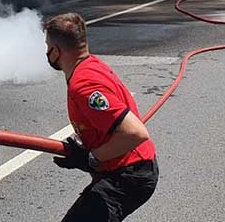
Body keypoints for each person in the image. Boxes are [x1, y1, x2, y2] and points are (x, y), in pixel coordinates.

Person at [44, 13, 158, 222]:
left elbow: (135, 133)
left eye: (47, 46)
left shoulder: (85, 84)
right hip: (124, 170)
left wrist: (91, 158)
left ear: (56, 51)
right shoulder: (89, 66)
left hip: (129, 175)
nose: (46, 52)